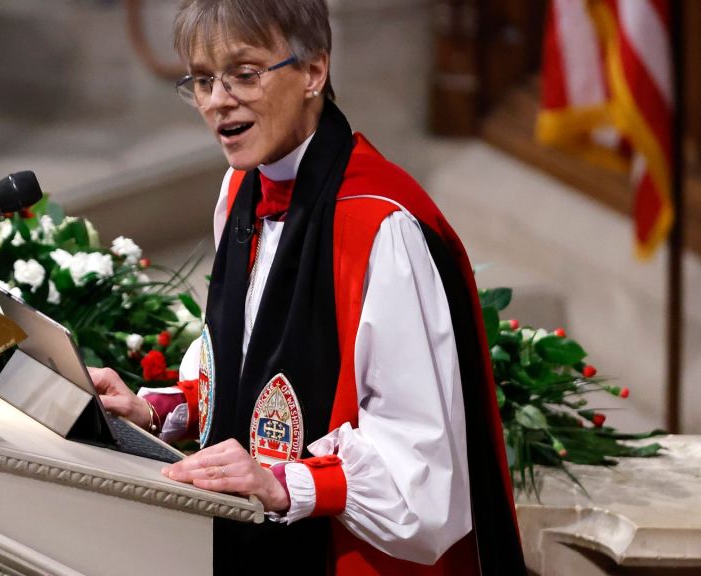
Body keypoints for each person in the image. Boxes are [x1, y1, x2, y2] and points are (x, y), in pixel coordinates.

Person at [90, 0, 526, 573]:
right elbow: (253, 375)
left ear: (314, 72)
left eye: (244, 74)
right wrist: (155, 409)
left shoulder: (380, 228)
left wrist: (277, 484)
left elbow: (420, 468)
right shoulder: (240, 190)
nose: (219, 101)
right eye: (202, 80)